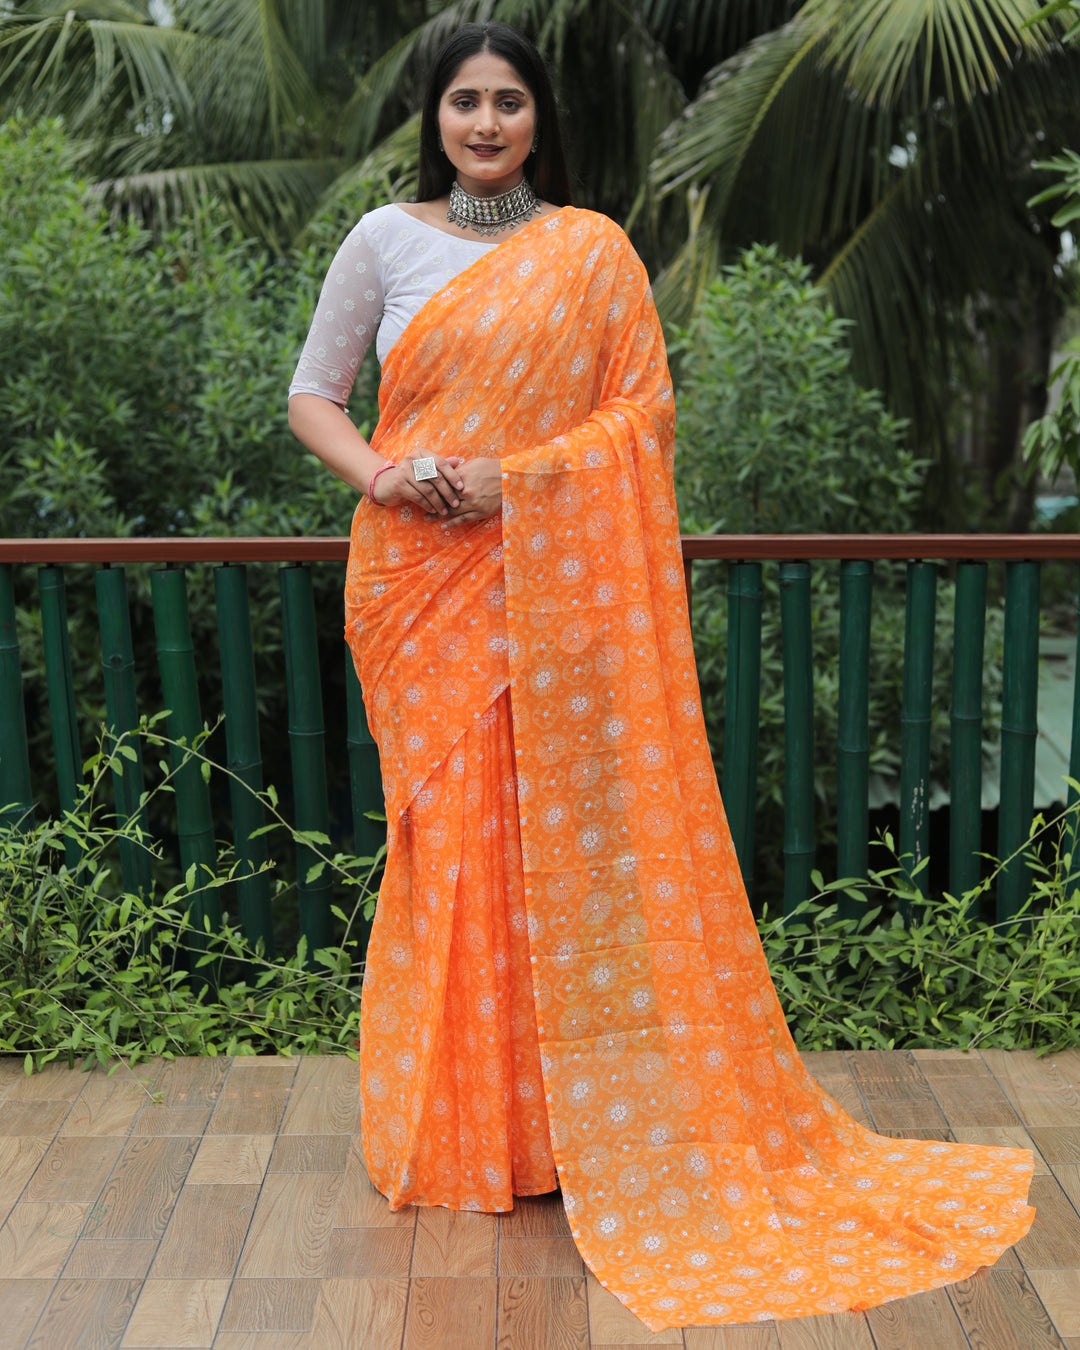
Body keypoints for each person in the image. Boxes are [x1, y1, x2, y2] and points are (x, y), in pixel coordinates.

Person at [288, 21, 1034, 1332]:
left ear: (538, 119)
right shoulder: (382, 241)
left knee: (568, 852)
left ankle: (571, 1133)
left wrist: (516, 483)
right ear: (433, 116)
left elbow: (641, 415)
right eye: (462, 100)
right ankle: (472, 1135)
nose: (483, 122)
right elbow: (312, 395)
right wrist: (388, 476)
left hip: (552, 588)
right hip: (419, 591)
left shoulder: (592, 252)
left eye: (507, 101)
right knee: (453, 852)